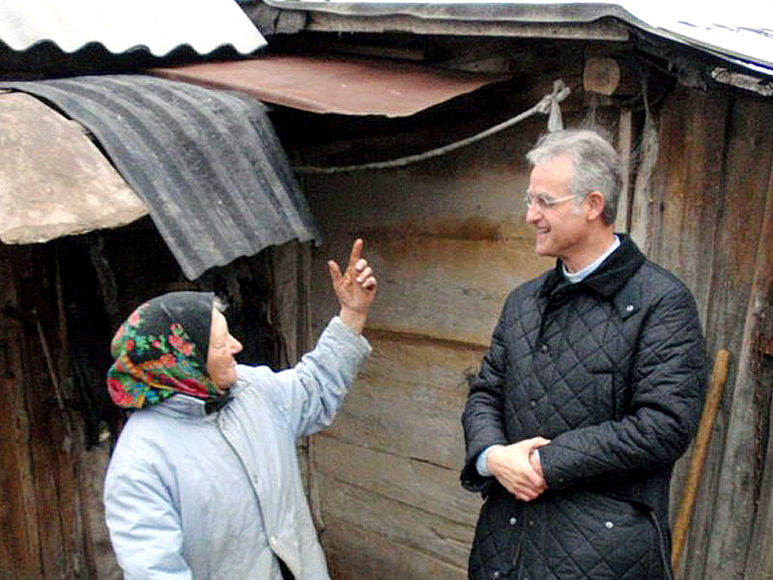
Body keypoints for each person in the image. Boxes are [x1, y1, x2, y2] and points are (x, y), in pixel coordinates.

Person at [461, 130, 707, 580]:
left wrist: (544, 464)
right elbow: (485, 393)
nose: (530, 215)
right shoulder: (523, 301)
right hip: (505, 544)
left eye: (544, 202)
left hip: (603, 555)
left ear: (593, 205)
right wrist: (492, 456)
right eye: (528, 200)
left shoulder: (661, 303)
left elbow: (664, 425)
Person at [103, 239, 377, 579]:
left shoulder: (250, 389)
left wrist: (352, 314)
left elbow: (313, 389)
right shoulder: (140, 462)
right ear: (184, 362)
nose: (237, 345)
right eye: (221, 342)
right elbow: (155, 572)